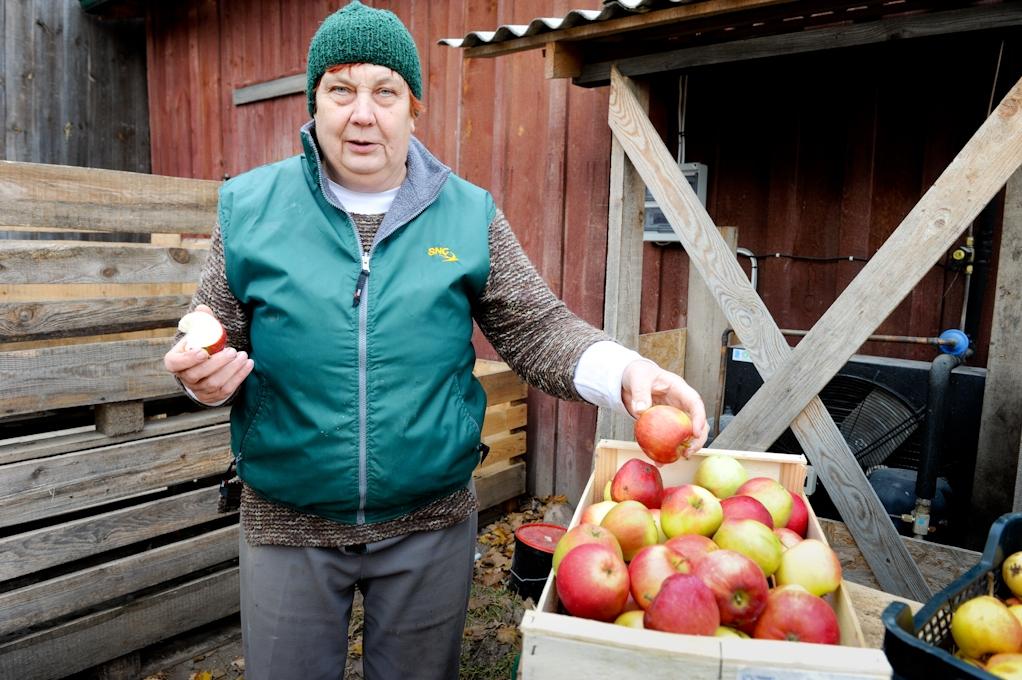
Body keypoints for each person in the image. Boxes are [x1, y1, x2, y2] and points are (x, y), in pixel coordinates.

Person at [163, 3, 708, 679]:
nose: (362, 114)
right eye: (340, 88)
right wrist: (195, 376)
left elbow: (536, 325)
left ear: (414, 108)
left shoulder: (467, 212)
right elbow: (210, 326)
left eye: (385, 91)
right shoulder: (250, 208)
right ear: (314, 103)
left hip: (428, 525)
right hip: (288, 527)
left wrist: (627, 374)